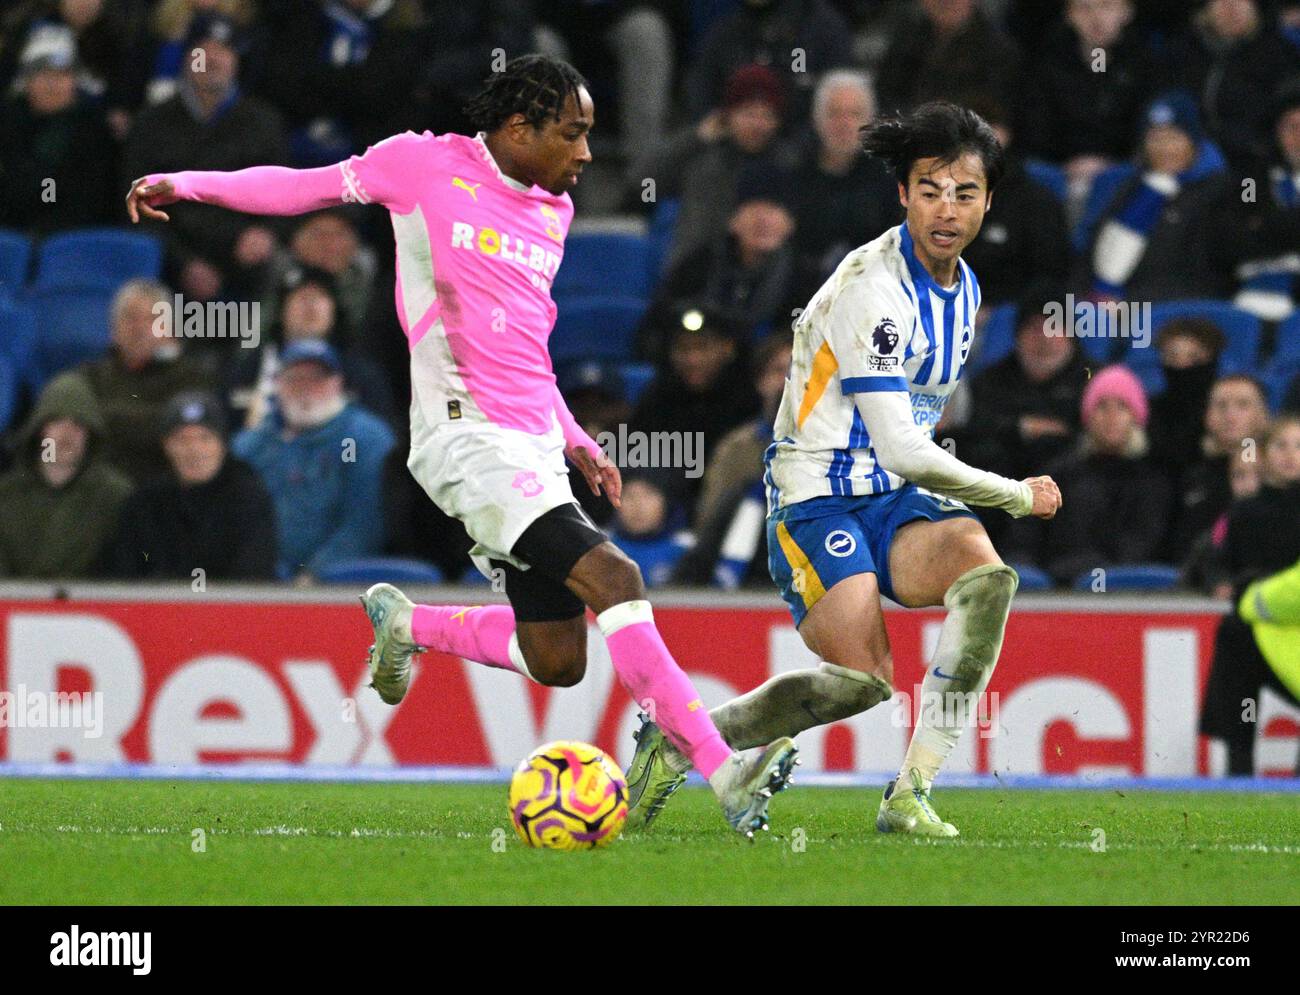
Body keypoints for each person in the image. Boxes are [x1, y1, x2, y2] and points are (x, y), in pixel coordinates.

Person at [126, 54, 796, 837]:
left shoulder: (554, 212)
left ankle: (410, 625)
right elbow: (301, 184)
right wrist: (192, 182)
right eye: (573, 134)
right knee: (615, 574)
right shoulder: (421, 165)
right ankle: (725, 770)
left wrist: (572, 433)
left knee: (559, 657)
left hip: (534, 446)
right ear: (519, 128)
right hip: (462, 434)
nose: (587, 154)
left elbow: (528, 342)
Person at [623, 102, 1062, 835]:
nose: (946, 209)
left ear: (989, 199)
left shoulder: (969, 291)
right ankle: (674, 739)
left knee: (986, 581)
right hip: (817, 498)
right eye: (929, 189)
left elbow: (910, 444)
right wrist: (1014, 495)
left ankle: (910, 793)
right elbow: (900, 444)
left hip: (892, 496)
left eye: (964, 192)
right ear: (902, 195)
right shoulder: (873, 289)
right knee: (861, 683)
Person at [230, 340, 393, 581]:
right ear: (278, 385)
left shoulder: (366, 437)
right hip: (262, 581)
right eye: (295, 378)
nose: (306, 387)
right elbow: (235, 518)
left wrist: (315, 574)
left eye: (317, 378)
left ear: (337, 383)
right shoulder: (251, 444)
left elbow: (364, 523)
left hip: (343, 585)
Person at [1003, 365, 1169, 585]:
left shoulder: (1153, 482)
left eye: (1122, 407)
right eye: (1101, 406)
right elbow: (1023, 540)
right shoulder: (1057, 475)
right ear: (1088, 416)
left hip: (1123, 595)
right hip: (1053, 593)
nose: (1111, 417)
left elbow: (1140, 548)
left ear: (1136, 417)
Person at [104, 389, 278, 580]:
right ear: (166, 446)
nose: (194, 450)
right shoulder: (145, 504)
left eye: (205, 438)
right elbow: (126, 570)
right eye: (182, 440)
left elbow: (253, 572)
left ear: (222, 444)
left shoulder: (249, 498)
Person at [72, 278, 216, 485]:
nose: (139, 328)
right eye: (130, 318)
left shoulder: (192, 377)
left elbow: (180, 430)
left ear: (170, 331)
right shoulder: (89, 376)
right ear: (113, 330)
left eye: (151, 319)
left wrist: (103, 418)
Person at [0, 372, 133, 579]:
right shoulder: (6, 494)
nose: (67, 433)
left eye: (78, 424)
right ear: (40, 429)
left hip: (90, 607)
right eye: (57, 421)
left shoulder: (115, 496)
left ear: (91, 434)